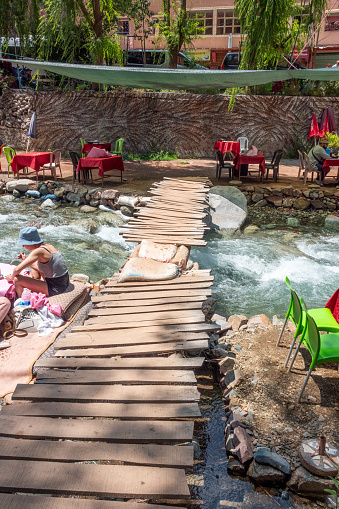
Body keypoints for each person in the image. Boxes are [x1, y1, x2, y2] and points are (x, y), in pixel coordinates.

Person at [7, 227, 69, 298]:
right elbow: (43, 268)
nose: (23, 246)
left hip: (55, 288)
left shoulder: (38, 251)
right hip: (64, 282)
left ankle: (22, 302)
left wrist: (11, 277)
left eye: (24, 243)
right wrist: (25, 260)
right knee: (35, 270)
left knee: (17, 279)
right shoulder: (49, 246)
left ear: (31, 242)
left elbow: (17, 270)